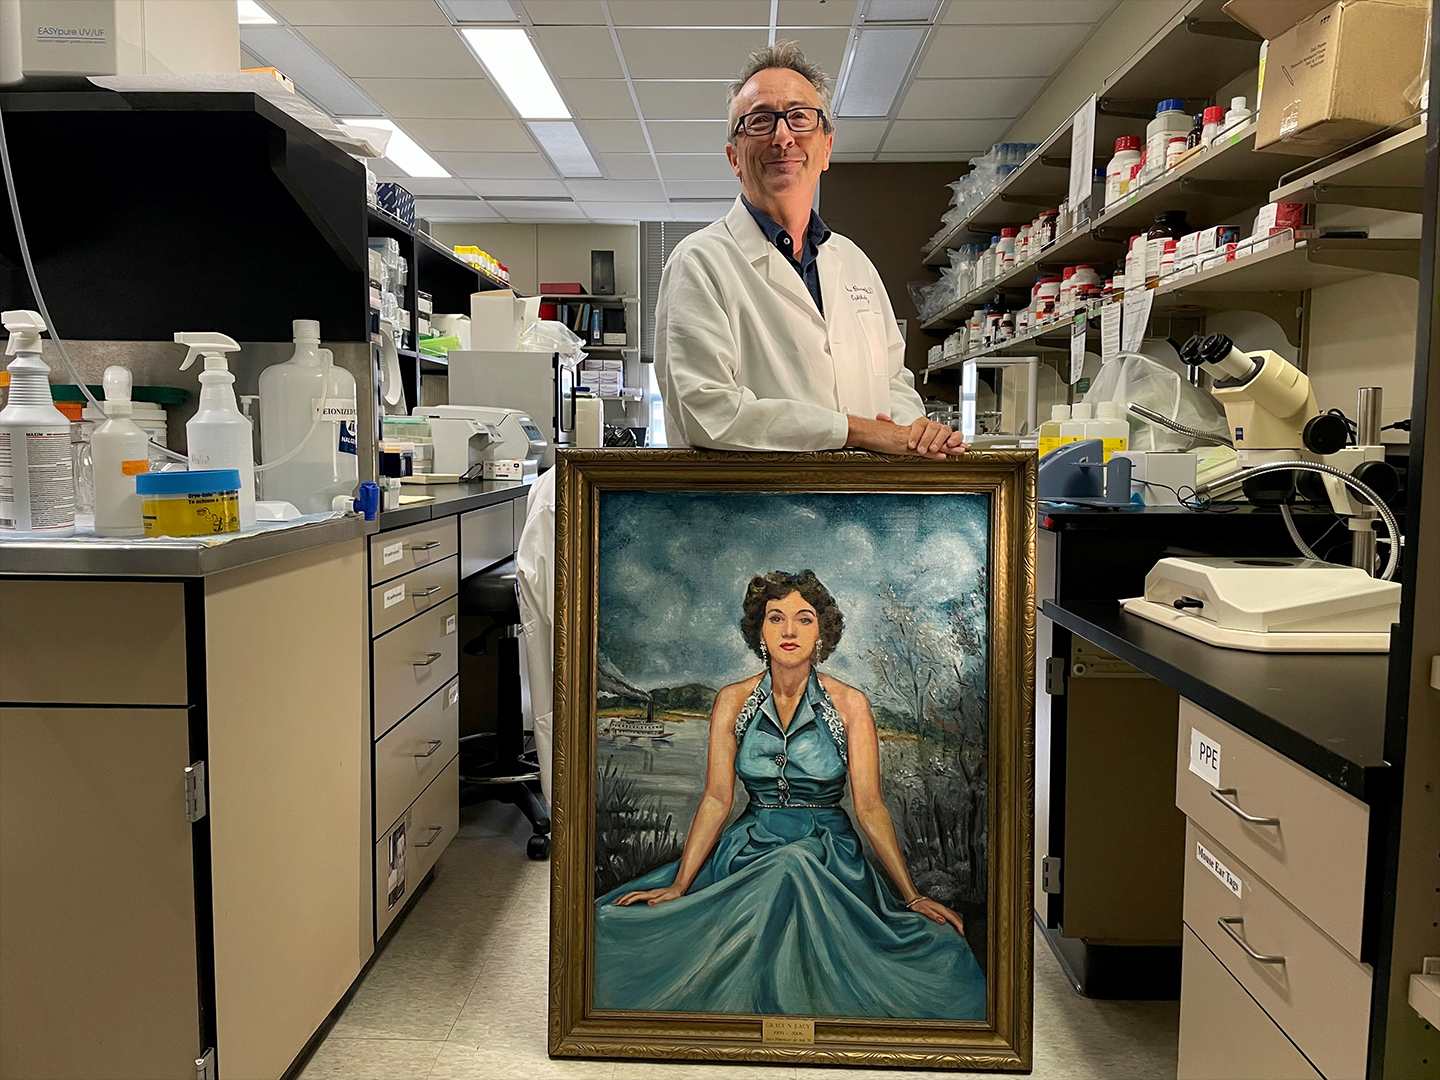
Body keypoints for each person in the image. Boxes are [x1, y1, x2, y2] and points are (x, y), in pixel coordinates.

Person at [591, 571, 986, 1020]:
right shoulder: (732, 701)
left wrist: (911, 895)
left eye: (804, 619)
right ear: (759, 629)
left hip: (827, 855)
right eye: (776, 618)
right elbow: (718, 801)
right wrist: (681, 885)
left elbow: (870, 806)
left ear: (822, 632)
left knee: (795, 867)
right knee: (610, 925)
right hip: (746, 850)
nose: (790, 631)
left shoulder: (850, 704)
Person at [655, 41, 968, 460]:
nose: (783, 137)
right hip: (748, 514)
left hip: (864, 510)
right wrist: (854, 431)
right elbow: (704, 410)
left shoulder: (853, 262)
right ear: (734, 157)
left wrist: (914, 433)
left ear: (826, 148)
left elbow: (894, 379)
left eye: (800, 117)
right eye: (760, 121)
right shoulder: (700, 262)